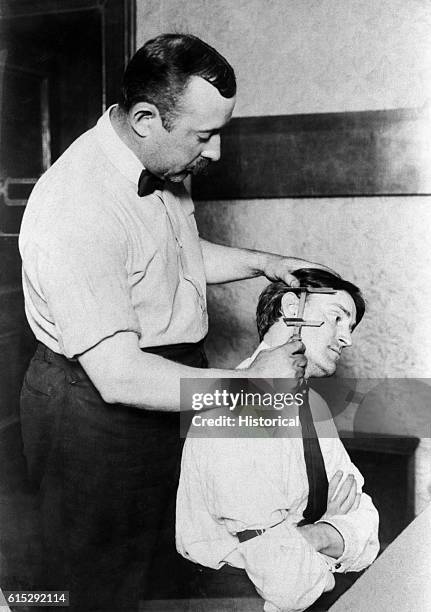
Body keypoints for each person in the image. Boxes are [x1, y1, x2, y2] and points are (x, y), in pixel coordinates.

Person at [18, 34, 326, 611]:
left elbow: (173, 255)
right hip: (95, 404)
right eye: (204, 136)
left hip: (175, 383)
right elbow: (120, 376)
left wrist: (266, 264)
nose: (215, 154)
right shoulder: (77, 207)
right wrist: (251, 391)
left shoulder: (159, 156)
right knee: (93, 583)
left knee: (170, 561)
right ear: (144, 118)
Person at [176, 268, 380, 612]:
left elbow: (366, 522)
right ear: (291, 308)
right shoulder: (232, 408)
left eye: (351, 326)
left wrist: (310, 536)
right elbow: (284, 581)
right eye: (337, 319)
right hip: (230, 600)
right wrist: (329, 534)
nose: (347, 338)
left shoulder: (312, 407)